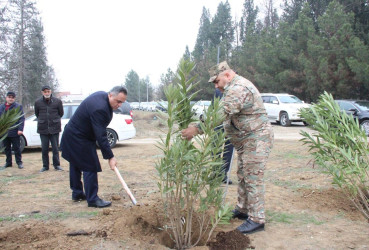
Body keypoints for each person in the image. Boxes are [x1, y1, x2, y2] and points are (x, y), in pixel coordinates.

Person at [181, 61, 274, 234]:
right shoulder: (231, 89)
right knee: (244, 174)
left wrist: (197, 129)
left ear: (228, 75)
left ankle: (257, 218)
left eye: (217, 81)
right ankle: (243, 209)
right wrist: (196, 124)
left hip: (256, 139)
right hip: (247, 140)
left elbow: (221, 113)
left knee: (253, 177)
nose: (216, 86)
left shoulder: (238, 88)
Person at [60, 86, 127, 208]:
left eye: (122, 102)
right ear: (110, 95)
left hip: (73, 133)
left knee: (76, 164)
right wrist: (110, 157)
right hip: (79, 137)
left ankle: (77, 193)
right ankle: (92, 199)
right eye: (118, 101)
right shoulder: (100, 108)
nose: (120, 105)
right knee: (90, 166)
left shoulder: (102, 96)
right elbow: (101, 135)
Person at [34, 85, 64, 172]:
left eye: (48, 91)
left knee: (55, 148)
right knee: (44, 149)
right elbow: (37, 114)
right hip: (43, 129)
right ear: (42, 92)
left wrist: (54, 120)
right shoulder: (37, 102)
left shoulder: (57, 101)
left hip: (54, 128)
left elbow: (61, 113)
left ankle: (57, 165)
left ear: (51, 91)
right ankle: (45, 166)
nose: (47, 93)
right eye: (45, 92)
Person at [213, 88, 234, 184]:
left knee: (228, 150)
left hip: (230, 125)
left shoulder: (236, 90)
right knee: (215, 149)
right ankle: (215, 173)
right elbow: (213, 106)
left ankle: (223, 174)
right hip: (218, 124)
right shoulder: (218, 91)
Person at [0, 91, 25, 169]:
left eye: (12, 97)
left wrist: (20, 129)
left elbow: (21, 118)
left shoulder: (18, 106)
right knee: (6, 148)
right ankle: (8, 163)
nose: (10, 99)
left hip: (14, 130)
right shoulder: (1, 107)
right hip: (4, 131)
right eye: (9, 97)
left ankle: (19, 162)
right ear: (6, 98)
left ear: (14, 98)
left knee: (16, 148)